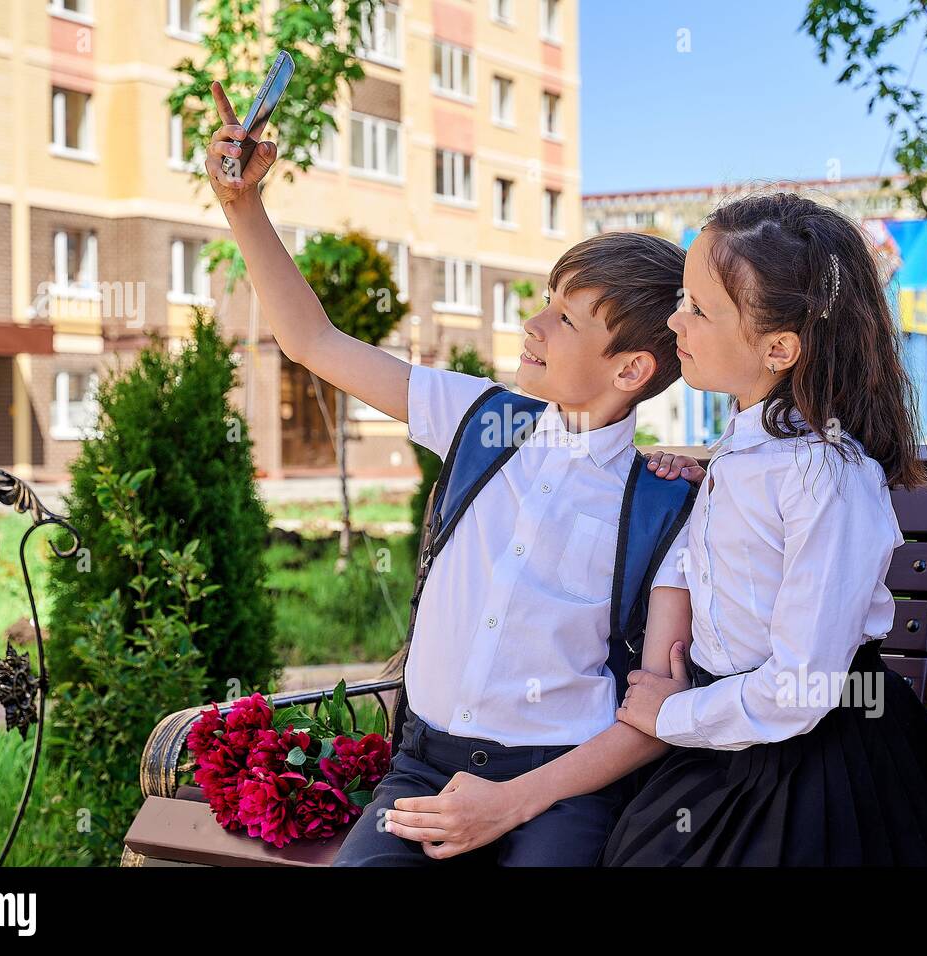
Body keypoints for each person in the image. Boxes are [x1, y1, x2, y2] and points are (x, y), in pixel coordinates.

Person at [203, 82, 696, 866]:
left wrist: (512, 802)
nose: (531, 325)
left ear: (633, 367)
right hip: (424, 768)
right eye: (544, 303)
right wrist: (243, 207)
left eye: (564, 319)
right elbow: (313, 341)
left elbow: (649, 716)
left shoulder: (664, 506)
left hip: (562, 787)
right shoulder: (479, 418)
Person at [606, 192, 927, 866]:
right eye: (682, 298)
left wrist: (672, 716)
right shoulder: (747, 450)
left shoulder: (825, 475)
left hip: (813, 763)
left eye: (699, 309)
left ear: (780, 347)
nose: (675, 320)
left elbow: (799, 688)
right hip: (734, 746)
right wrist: (709, 499)